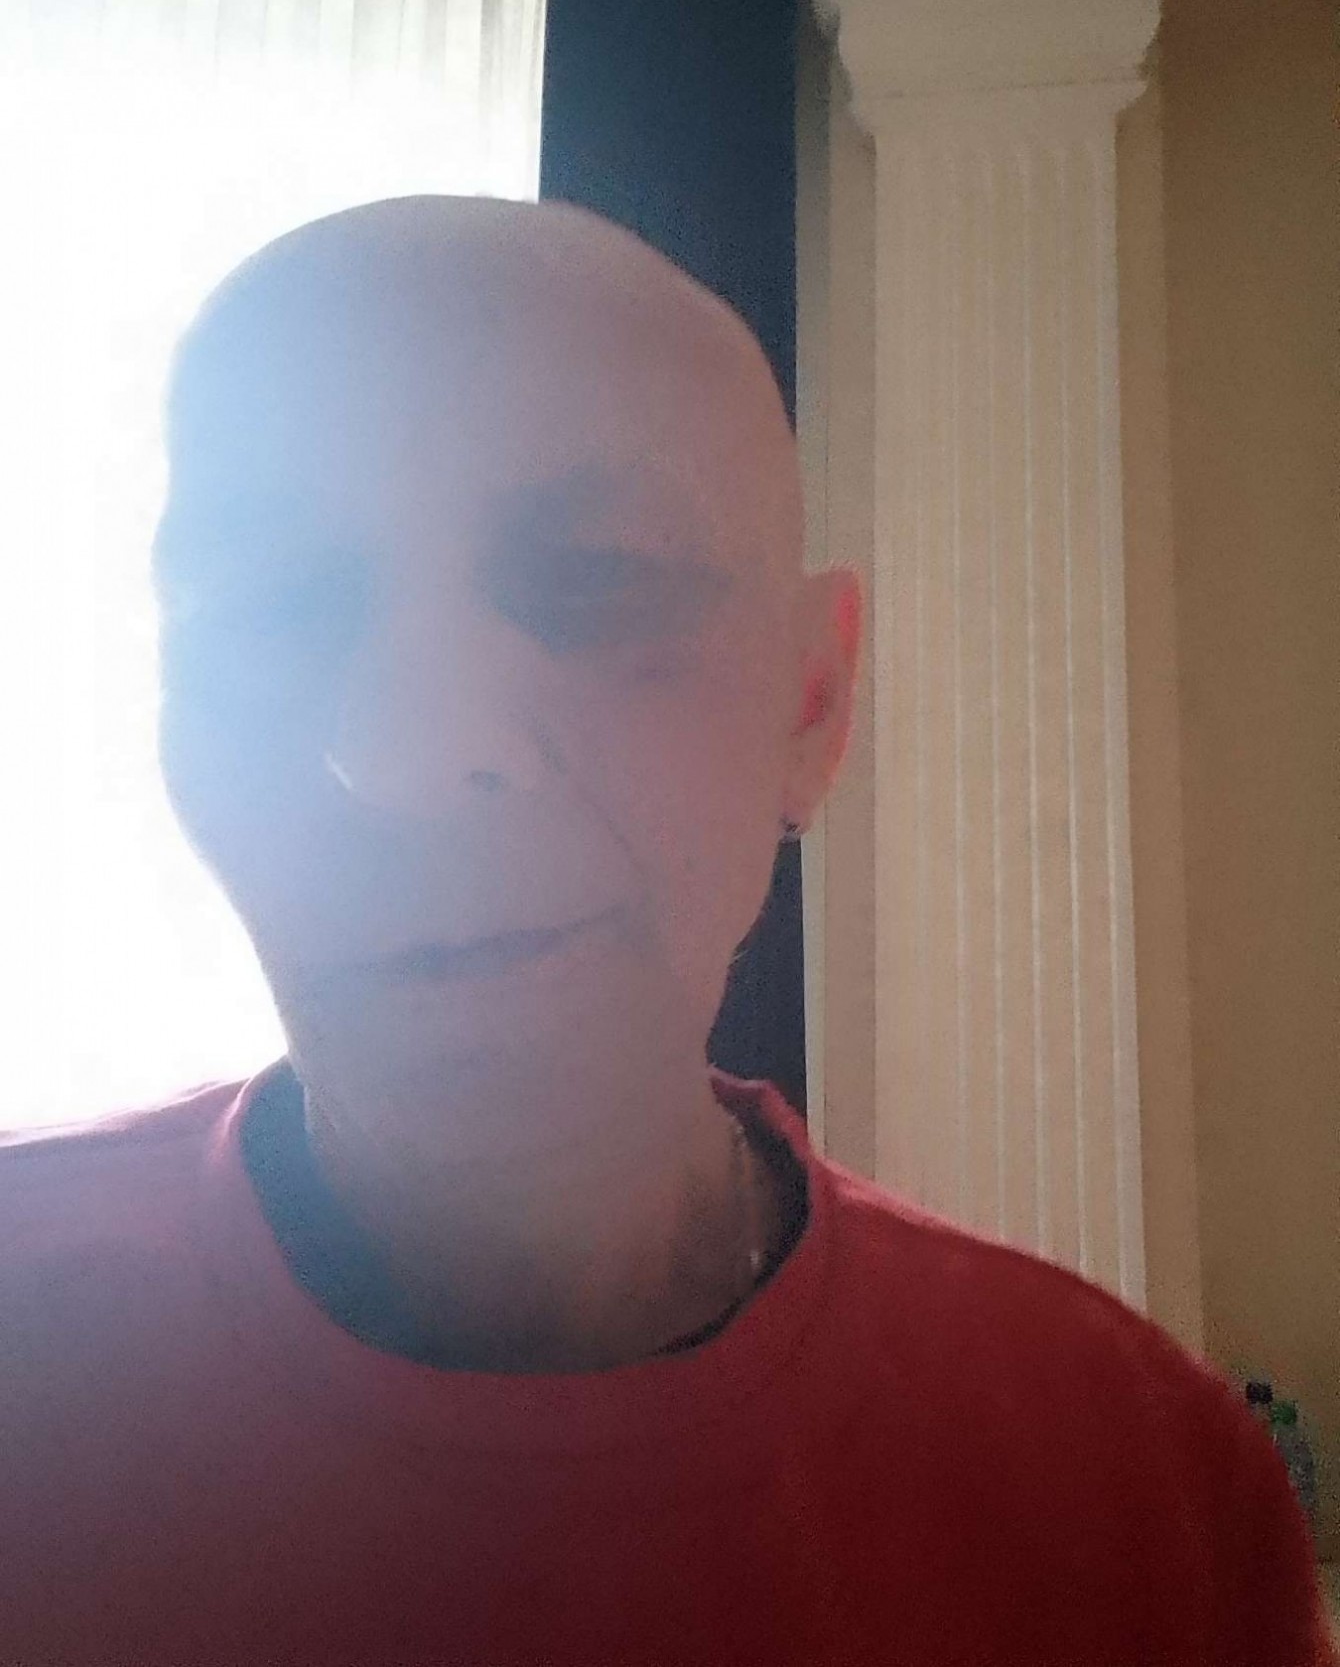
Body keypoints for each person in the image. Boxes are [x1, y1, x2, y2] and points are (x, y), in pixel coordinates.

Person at [0, 196, 1332, 1666]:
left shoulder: (1137, 1484)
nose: (411, 750)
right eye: (265, 609)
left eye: (598, 577)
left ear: (810, 707)